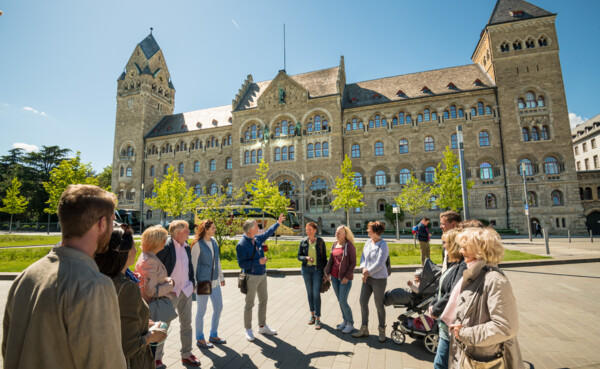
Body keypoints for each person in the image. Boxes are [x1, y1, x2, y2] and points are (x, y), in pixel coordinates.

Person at [2, 184, 127, 369]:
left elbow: (7, 348)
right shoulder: (94, 285)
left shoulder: (26, 276)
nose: (112, 228)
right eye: (111, 221)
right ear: (102, 224)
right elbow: (106, 363)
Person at [445, 227, 524, 369]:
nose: (460, 251)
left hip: (487, 360)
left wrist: (463, 333)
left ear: (478, 250)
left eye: (464, 248)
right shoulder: (475, 274)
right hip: (473, 355)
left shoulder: (493, 279)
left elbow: (505, 327)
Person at [95, 227, 166, 369]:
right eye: (133, 246)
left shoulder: (101, 278)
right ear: (125, 252)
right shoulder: (127, 287)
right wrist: (152, 336)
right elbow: (129, 346)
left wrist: (143, 323)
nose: (136, 250)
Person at [154, 220, 200, 367]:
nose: (189, 233)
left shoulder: (186, 247)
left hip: (186, 291)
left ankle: (186, 354)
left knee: (186, 324)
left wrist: (192, 282)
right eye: (187, 231)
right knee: (163, 326)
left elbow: (189, 267)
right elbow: (157, 269)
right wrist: (162, 288)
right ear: (179, 232)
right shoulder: (165, 247)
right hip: (170, 293)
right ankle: (156, 357)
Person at [237, 214, 285, 342]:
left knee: (263, 301)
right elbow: (242, 264)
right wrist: (259, 262)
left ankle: (262, 326)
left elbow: (269, 232)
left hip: (262, 275)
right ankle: (248, 329)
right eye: (256, 225)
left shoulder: (257, 238)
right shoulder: (241, 245)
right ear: (250, 229)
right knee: (249, 304)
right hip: (251, 277)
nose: (259, 227)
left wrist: (278, 223)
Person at [135, 225, 175, 369]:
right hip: (152, 307)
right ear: (156, 241)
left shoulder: (148, 257)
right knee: (154, 343)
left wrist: (164, 280)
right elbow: (151, 291)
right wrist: (170, 284)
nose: (166, 241)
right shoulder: (150, 260)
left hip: (150, 306)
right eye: (164, 239)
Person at [428, 228, 467, 369]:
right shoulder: (455, 263)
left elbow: (452, 293)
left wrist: (436, 309)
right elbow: (441, 288)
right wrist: (433, 303)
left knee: (440, 364)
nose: (443, 246)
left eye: (445, 243)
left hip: (450, 323)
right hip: (444, 322)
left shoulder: (462, 266)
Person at [191, 220, 226, 349]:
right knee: (202, 310)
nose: (214, 230)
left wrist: (221, 276)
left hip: (215, 280)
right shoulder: (197, 244)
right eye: (212, 228)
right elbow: (193, 265)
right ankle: (200, 338)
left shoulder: (214, 242)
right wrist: (194, 283)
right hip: (203, 281)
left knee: (218, 307)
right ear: (205, 230)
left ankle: (213, 335)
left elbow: (217, 261)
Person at [353, 221, 389, 342]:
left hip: (379, 279)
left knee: (379, 304)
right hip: (367, 277)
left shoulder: (383, 244)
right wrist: (363, 269)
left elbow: (380, 263)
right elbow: (363, 258)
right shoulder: (368, 242)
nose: (367, 230)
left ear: (375, 231)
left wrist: (367, 272)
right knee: (363, 301)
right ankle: (364, 328)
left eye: (369, 229)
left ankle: (382, 330)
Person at [324, 225, 357, 334]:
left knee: (343, 300)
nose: (336, 234)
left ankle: (350, 323)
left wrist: (347, 277)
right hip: (334, 278)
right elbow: (331, 260)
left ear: (345, 234)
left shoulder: (349, 246)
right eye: (336, 232)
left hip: (344, 279)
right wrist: (327, 273)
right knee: (340, 301)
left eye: (339, 233)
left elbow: (353, 263)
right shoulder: (334, 244)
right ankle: (345, 321)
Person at [297, 222, 328, 330]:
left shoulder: (320, 242)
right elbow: (298, 256)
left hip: (317, 271)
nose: (307, 231)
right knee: (309, 293)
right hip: (306, 270)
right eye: (306, 229)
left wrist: (325, 274)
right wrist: (305, 258)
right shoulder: (303, 242)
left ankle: (318, 318)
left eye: (309, 229)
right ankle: (312, 314)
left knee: (316, 293)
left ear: (315, 230)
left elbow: (324, 258)